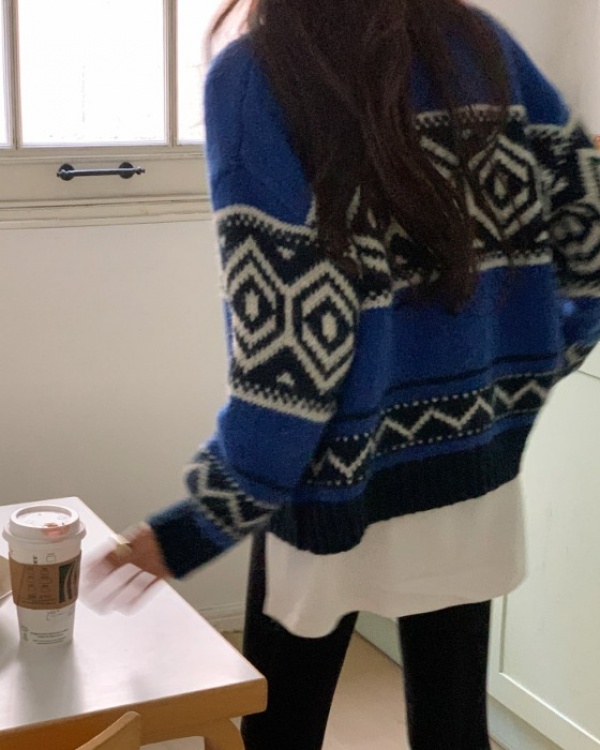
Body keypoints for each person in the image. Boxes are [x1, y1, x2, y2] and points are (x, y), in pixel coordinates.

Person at [88, 1, 600, 748]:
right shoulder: (477, 44)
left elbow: (293, 354)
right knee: (454, 728)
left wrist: (198, 524)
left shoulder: (260, 73)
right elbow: (588, 235)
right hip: (473, 472)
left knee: (280, 730)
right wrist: (527, 372)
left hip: (330, 477)